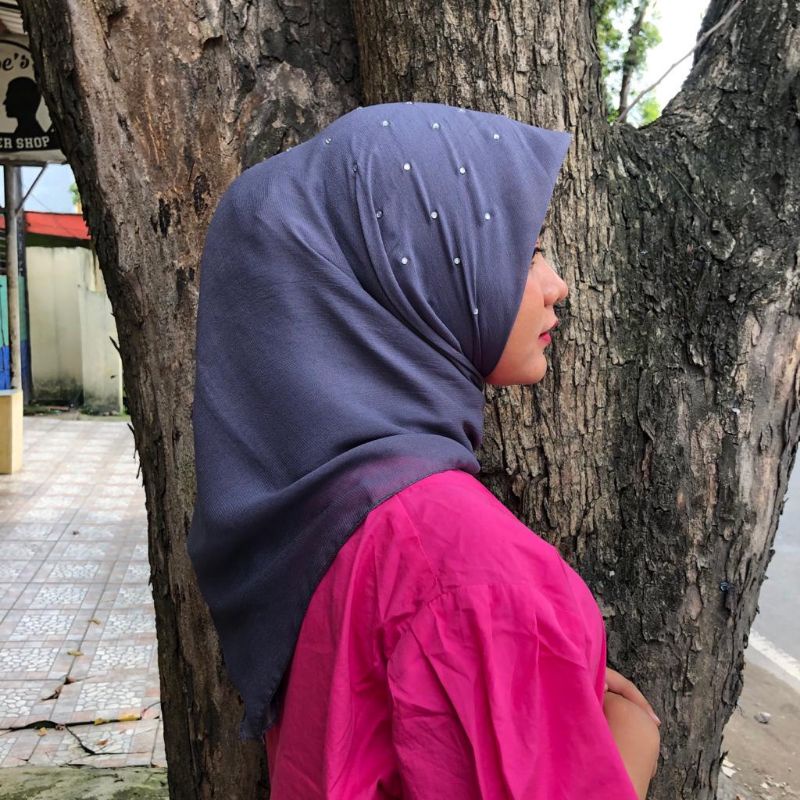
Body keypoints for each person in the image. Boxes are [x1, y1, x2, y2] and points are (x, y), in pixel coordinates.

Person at [188, 101, 661, 799]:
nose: (557, 283)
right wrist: (634, 739)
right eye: (528, 249)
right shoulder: (460, 568)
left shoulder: (317, 515)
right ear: (410, 271)